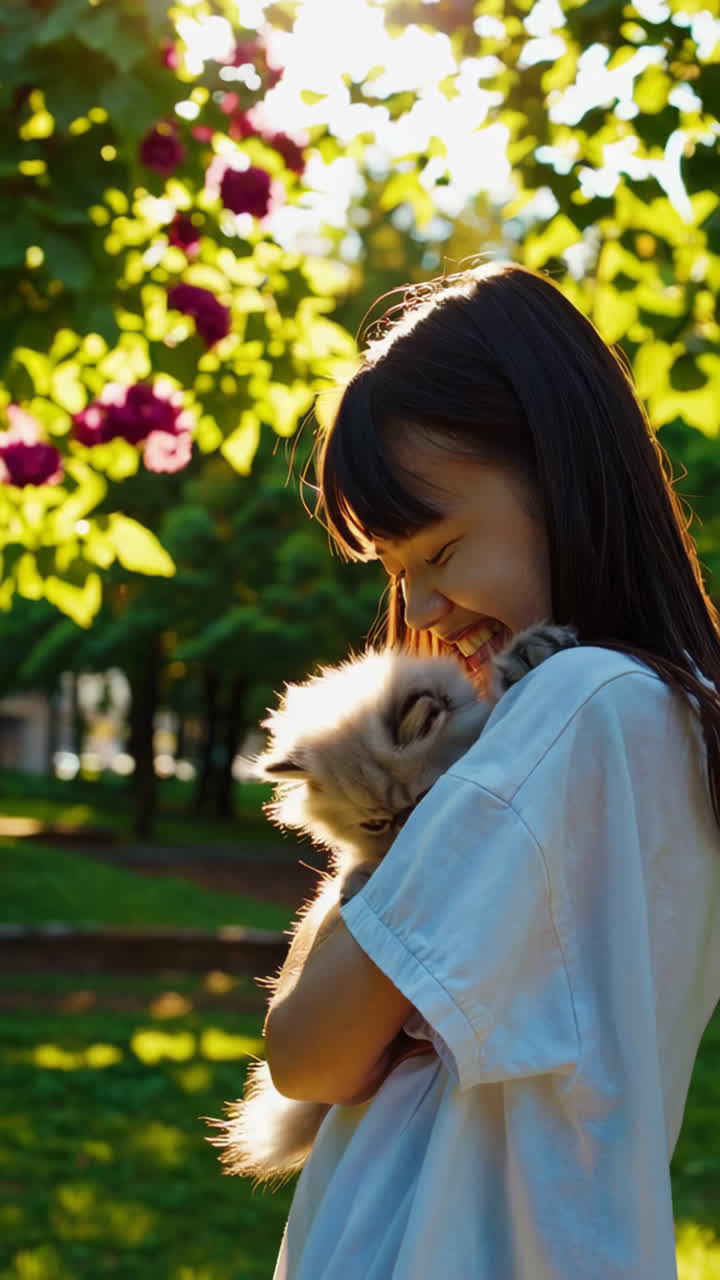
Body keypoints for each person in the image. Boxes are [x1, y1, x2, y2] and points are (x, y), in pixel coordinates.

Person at [264, 260, 720, 1278]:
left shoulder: (576, 704)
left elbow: (306, 1049)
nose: (420, 611)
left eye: (442, 549)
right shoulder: (657, 714)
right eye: (398, 573)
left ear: (559, 474)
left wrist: (399, 807)